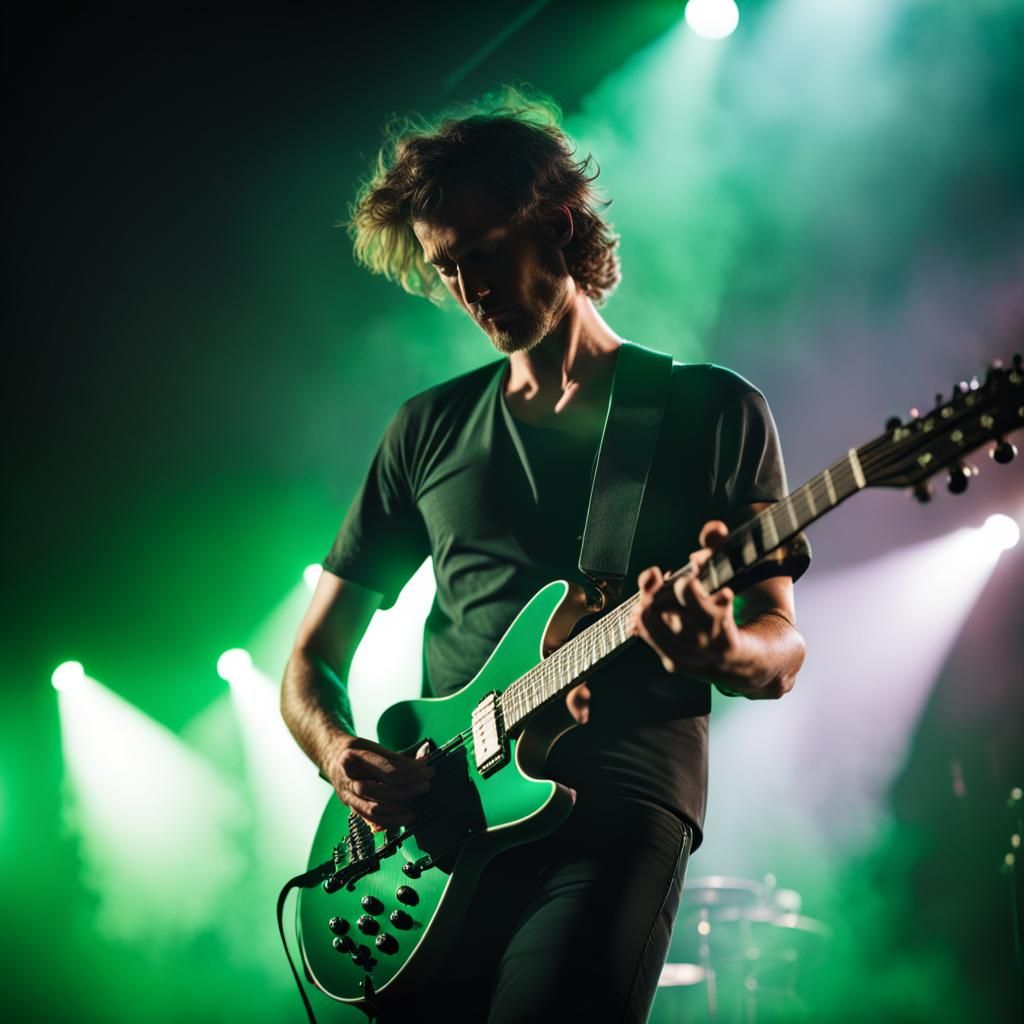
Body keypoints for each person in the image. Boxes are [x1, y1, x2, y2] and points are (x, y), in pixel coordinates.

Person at [280, 89, 808, 1023]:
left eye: (482, 253)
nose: (469, 289)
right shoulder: (427, 428)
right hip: (437, 835)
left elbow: (780, 648)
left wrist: (724, 652)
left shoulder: (711, 412)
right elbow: (312, 657)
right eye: (447, 269)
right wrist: (338, 756)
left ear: (558, 225)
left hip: (614, 816)